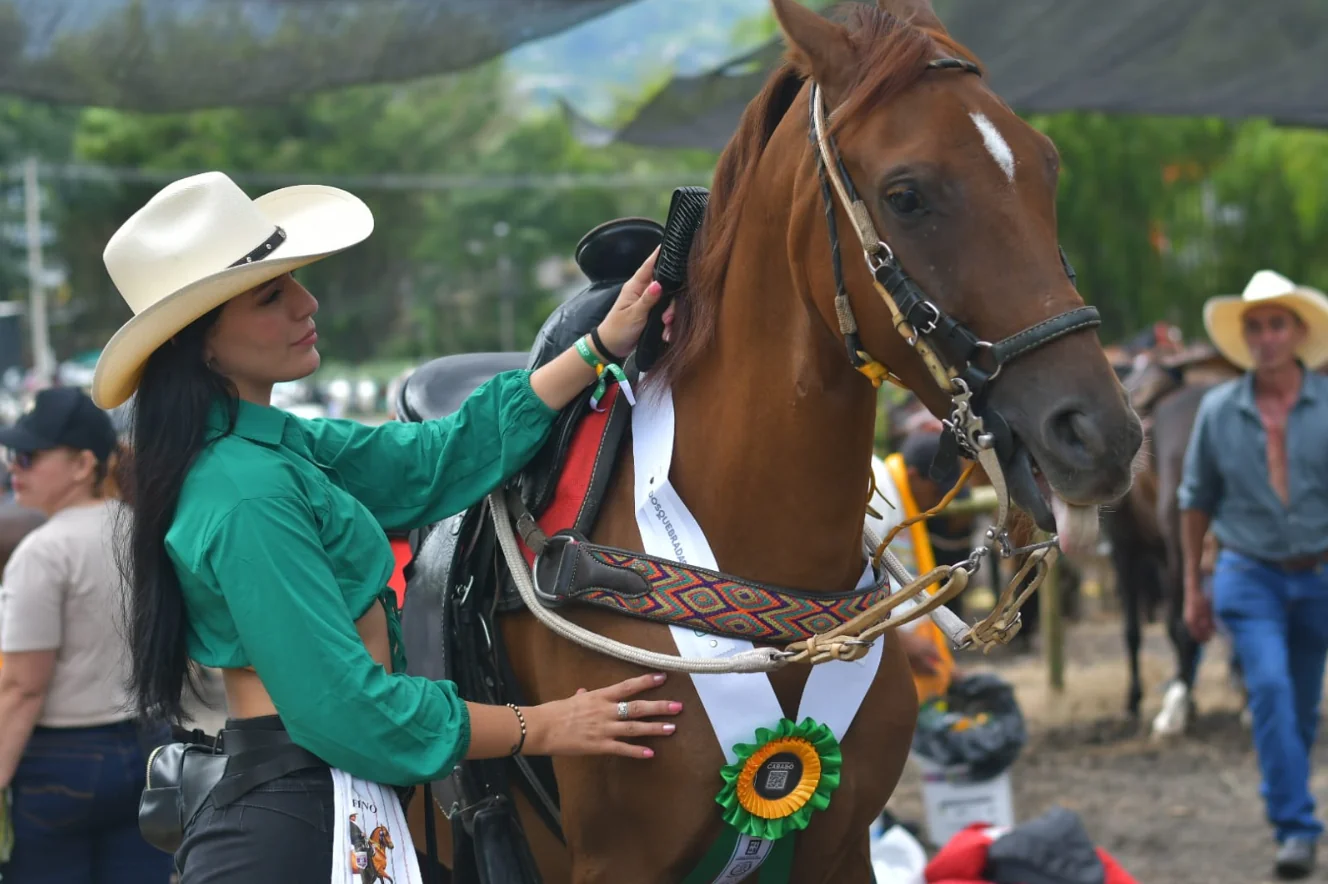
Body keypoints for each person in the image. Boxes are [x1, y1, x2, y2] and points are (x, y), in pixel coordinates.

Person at [91, 171, 682, 883]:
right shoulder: (246, 491)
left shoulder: (278, 449)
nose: (307, 303)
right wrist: (545, 725)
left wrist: (597, 347)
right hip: (291, 830)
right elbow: (345, 709)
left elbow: (433, 461)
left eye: (295, 282)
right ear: (201, 346)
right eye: (271, 297)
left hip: (328, 806)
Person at [1180, 269, 1328, 880]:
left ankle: (1284, 792)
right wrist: (1193, 588)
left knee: (1300, 708)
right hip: (1247, 574)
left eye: (1276, 325)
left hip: (1318, 577)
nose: (1266, 338)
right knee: (1268, 689)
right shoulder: (1218, 411)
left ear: (1297, 332)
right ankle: (1295, 828)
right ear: (1245, 338)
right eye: (1256, 328)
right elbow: (1195, 501)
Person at [0, 386, 172, 883]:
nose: (14, 467)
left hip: (61, 762)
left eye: (28, 457)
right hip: (148, 747)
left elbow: (23, 686)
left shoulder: (44, 552)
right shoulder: (142, 532)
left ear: (81, 464)